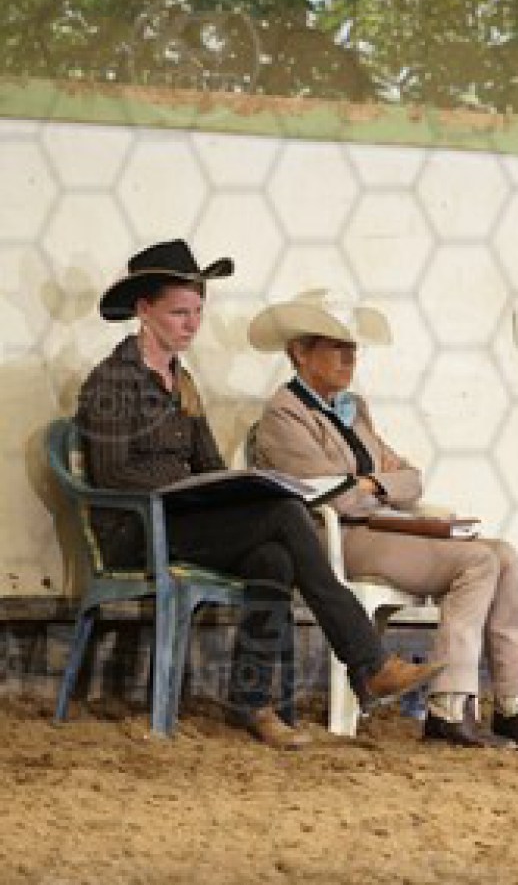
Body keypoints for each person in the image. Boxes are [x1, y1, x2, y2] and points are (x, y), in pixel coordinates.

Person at [73, 241, 445, 749]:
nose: (192, 324)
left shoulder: (182, 382)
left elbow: (208, 464)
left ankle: (253, 701)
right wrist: (188, 490)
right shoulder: (113, 381)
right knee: (287, 515)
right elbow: (114, 475)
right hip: (137, 530)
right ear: (144, 310)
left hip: (182, 522)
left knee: (274, 556)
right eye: (179, 313)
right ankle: (367, 662)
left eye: (198, 312)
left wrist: (228, 487)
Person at [248, 290, 518, 754]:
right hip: (339, 537)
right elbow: (333, 496)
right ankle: (449, 708)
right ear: (300, 352)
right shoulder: (284, 413)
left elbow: (411, 479)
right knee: (477, 561)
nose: (349, 357)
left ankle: (514, 704)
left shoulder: (354, 409)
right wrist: (376, 487)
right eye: (336, 346)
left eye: (353, 347)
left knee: (505, 556)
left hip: (381, 527)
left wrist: (371, 484)